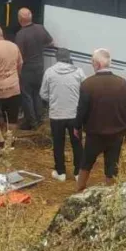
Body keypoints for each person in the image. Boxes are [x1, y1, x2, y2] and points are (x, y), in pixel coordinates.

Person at [76, 49, 126, 191]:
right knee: (112, 166)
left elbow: (81, 110)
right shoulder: (123, 84)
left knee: (86, 163)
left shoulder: (88, 84)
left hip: (95, 133)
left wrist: (77, 127)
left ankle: (79, 189)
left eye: (92, 62)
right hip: (117, 133)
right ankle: (110, 196)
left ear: (97, 64)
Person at [40, 48, 85, 182]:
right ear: (69, 57)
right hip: (75, 115)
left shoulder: (49, 72)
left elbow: (43, 93)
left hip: (56, 114)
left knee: (58, 143)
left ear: (56, 58)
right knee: (77, 143)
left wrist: (53, 100)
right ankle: (78, 173)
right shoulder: (79, 72)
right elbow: (86, 91)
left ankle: (61, 172)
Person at [14, 8, 53, 131]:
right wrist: (40, 47)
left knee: (27, 96)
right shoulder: (40, 28)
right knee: (37, 93)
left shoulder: (21, 35)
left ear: (20, 20)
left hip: (27, 68)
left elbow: (18, 55)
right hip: (39, 67)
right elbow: (51, 42)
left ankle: (32, 122)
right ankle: (40, 119)